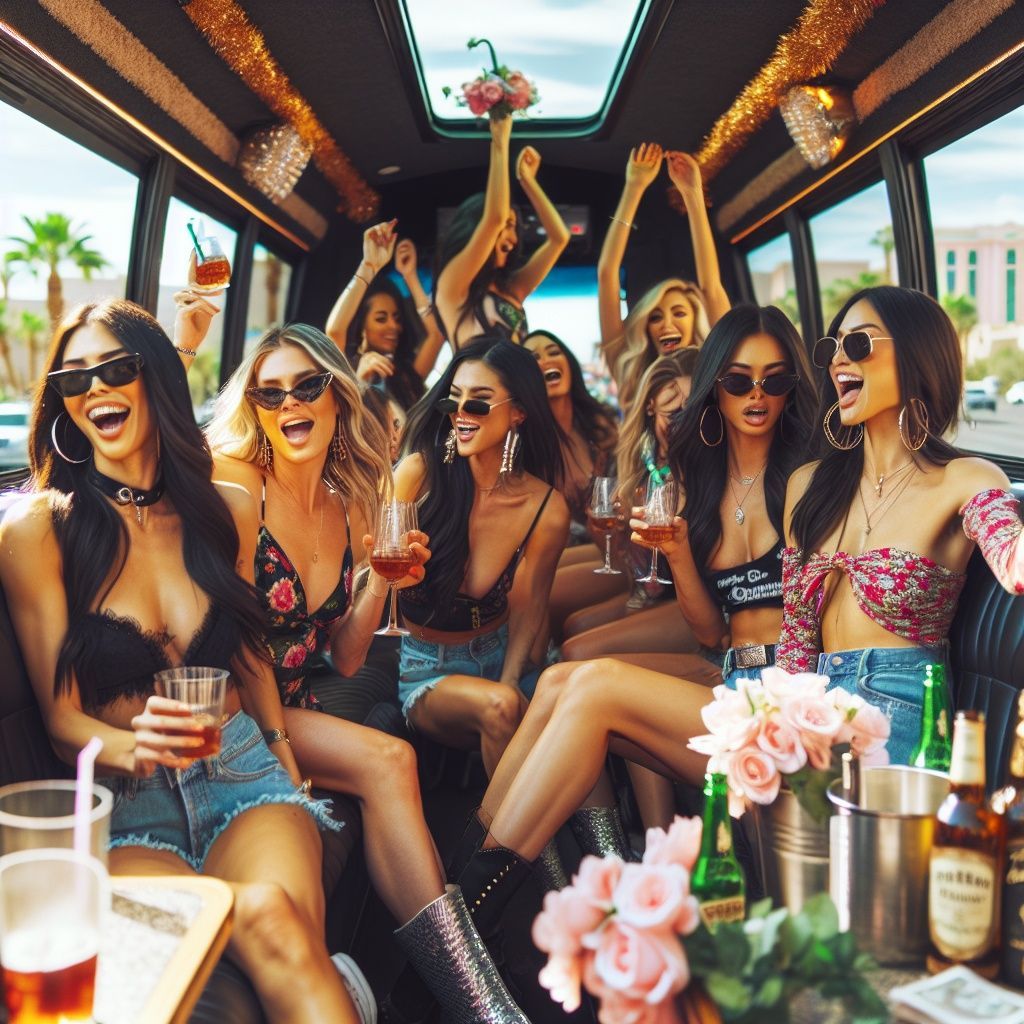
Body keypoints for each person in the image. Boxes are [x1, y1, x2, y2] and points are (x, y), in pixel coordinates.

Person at [0, 299, 360, 1022]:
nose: (95, 388)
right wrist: (136, 749)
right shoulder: (39, 530)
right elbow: (63, 716)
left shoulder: (221, 505)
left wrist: (283, 749)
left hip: (242, 774)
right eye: (75, 380)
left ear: (153, 378)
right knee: (154, 988)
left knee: (273, 919)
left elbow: (248, 649)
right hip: (130, 807)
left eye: (116, 369)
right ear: (63, 405)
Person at [438, 305, 821, 931]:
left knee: (592, 681)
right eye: (738, 380)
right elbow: (708, 631)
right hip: (731, 668)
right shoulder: (705, 480)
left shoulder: (810, 478)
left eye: (774, 380)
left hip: (787, 694)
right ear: (714, 388)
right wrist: (675, 553)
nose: (756, 395)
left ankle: (468, 919)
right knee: (563, 679)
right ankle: (466, 894)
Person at [204, 323, 530, 1021]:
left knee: (393, 760)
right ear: (254, 408)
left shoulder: (351, 503)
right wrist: (283, 754)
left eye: (306, 386)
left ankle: (472, 989)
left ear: (334, 394)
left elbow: (347, 657)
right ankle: (480, 998)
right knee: (388, 758)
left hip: (289, 699)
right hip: (228, 704)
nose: (289, 403)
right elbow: (241, 642)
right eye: (269, 393)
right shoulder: (237, 488)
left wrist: (383, 582)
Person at [780, 285, 1023, 762]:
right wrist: (776, 726)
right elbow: (796, 638)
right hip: (810, 708)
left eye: (859, 344)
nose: (837, 361)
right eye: (832, 347)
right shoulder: (808, 486)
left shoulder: (963, 478)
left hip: (899, 710)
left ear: (917, 355)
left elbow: (1013, 559)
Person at [395, 335, 569, 766]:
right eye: (454, 399)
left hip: (501, 655)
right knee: (501, 708)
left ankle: (611, 835)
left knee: (575, 710)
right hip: (427, 669)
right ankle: (498, 836)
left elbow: (529, 609)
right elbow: (373, 571)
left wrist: (510, 681)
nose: (460, 413)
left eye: (479, 402)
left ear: (518, 413)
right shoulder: (418, 476)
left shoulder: (545, 508)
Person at [557, 350, 699, 660]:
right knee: (574, 626)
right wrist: (603, 530)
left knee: (576, 649)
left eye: (694, 411)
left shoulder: (705, 468)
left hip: (695, 601)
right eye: (673, 414)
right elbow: (627, 567)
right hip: (650, 591)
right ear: (650, 407)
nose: (684, 424)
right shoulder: (641, 466)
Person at [598, 144, 730, 409]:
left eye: (679, 313)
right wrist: (633, 188)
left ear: (696, 319)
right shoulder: (631, 373)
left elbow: (710, 286)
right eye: (656, 317)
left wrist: (692, 193)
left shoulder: (719, 363)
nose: (666, 324)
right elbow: (607, 274)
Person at [434, 114, 569, 347]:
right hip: (473, 384)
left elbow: (559, 238)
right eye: (508, 226)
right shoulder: (452, 287)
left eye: (515, 228)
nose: (514, 238)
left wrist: (528, 181)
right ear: (476, 228)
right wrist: (500, 141)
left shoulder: (512, 287)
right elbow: (494, 217)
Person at [325, 223, 446, 409]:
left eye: (397, 318)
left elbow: (436, 335)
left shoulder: (406, 374)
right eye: (381, 318)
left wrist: (410, 275)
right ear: (362, 327)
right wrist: (368, 267)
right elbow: (335, 331)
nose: (393, 326)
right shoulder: (345, 370)